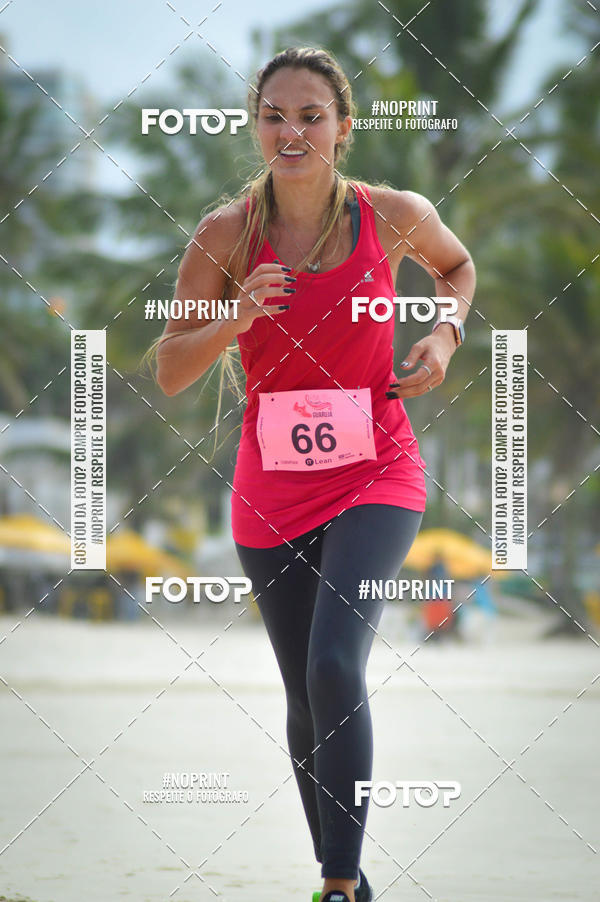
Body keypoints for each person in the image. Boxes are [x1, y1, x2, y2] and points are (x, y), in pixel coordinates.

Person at [155, 46, 475, 902]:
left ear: (344, 128)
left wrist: (442, 337)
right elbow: (172, 369)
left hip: (379, 467)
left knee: (337, 661)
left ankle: (336, 885)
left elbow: (458, 267)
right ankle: (347, 878)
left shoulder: (393, 214)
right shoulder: (226, 233)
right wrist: (236, 315)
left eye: (310, 115)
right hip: (271, 483)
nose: (291, 131)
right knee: (304, 688)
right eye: (273, 115)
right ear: (256, 127)